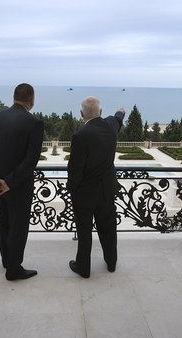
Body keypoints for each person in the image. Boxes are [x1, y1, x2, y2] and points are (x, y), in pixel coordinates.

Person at [0, 83, 44, 281]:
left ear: (14, 97)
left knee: (3, 223)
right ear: (32, 100)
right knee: (18, 227)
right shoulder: (34, 123)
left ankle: (7, 260)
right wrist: (10, 181)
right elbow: (31, 160)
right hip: (19, 186)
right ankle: (14, 269)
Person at [66, 96, 125, 278]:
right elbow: (118, 118)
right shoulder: (110, 127)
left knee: (84, 230)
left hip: (85, 193)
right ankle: (111, 262)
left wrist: (71, 188)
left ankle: (83, 267)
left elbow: (74, 168)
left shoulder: (80, 136)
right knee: (108, 227)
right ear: (100, 112)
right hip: (107, 190)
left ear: (81, 114)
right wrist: (120, 111)